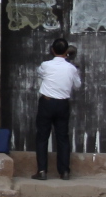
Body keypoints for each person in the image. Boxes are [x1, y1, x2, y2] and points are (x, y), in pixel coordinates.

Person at [32, 40, 82, 180]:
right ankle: (64, 171)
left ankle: (42, 171)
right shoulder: (71, 68)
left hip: (47, 103)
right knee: (63, 138)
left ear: (52, 50)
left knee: (42, 137)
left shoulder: (46, 65)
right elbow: (77, 85)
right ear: (66, 51)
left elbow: (40, 74)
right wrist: (72, 65)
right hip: (62, 104)